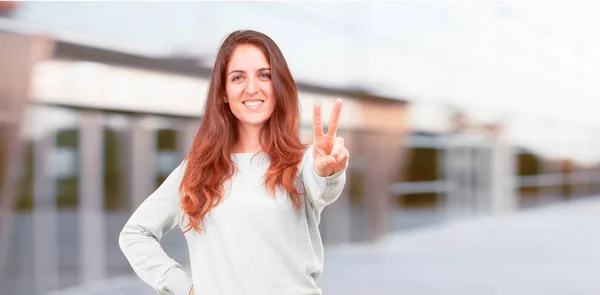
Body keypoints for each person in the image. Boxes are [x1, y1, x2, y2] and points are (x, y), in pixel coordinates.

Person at [119, 30, 349, 295]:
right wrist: (185, 289)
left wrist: (328, 171)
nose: (252, 88)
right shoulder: (196, 171)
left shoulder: (304, 162)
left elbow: (325, 187)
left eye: (264, 75)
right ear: (224, 92)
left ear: (279, 86)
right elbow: (135, 234)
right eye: (238, 77)